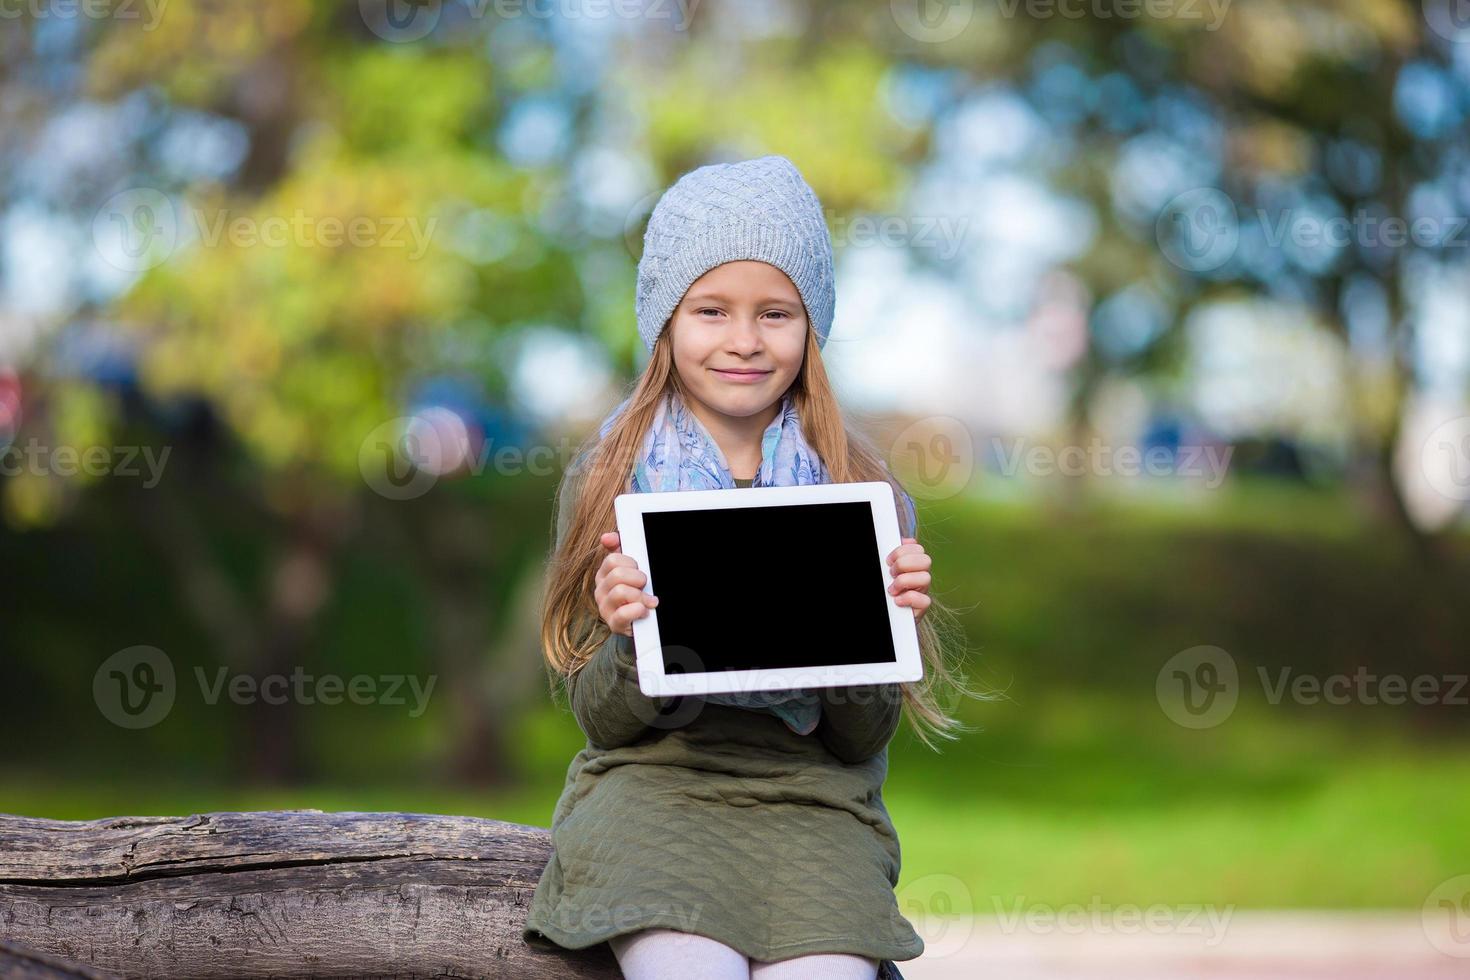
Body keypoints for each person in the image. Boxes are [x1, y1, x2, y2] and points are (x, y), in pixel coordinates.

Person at [524, 154, 971, 980]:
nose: (742, 341)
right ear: (666, 319)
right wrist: (627, 639)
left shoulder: (858, 485)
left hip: (813, 801)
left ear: (812, 327)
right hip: (656, 793)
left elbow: (859, 737)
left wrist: (883, 626)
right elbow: (601, 721)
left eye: (776, 314)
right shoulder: (615, 476)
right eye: (711, 310)